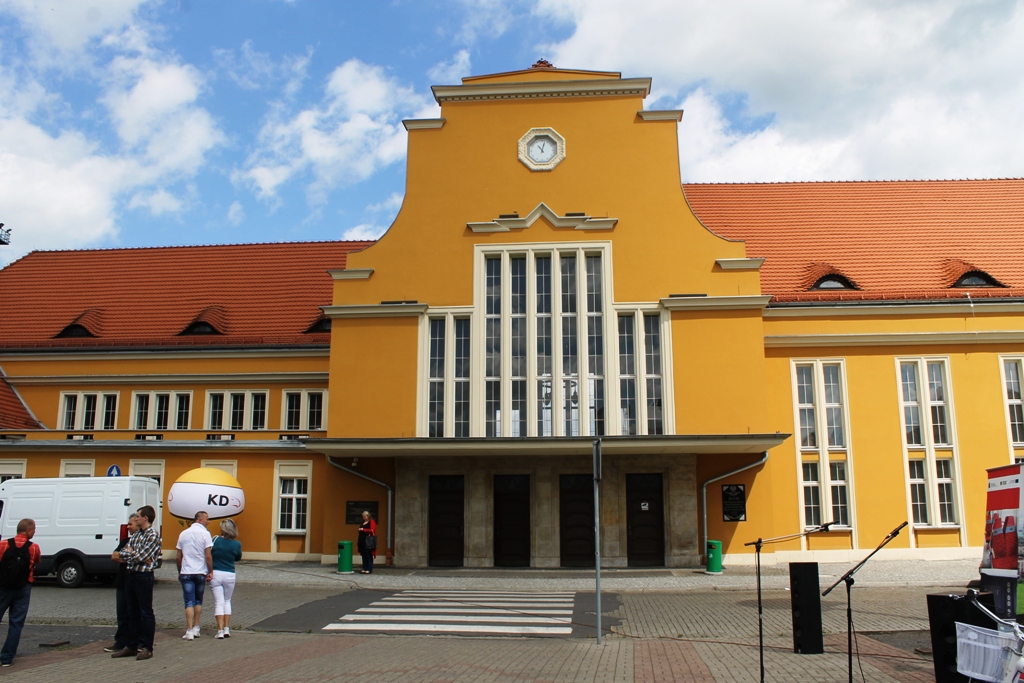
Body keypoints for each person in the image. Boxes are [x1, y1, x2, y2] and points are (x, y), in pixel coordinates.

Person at [111, 505, 160, 661]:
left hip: (143, 576)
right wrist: (133, 554)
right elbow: (123, 552)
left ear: (145, 518)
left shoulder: (152, 535)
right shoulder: (136, 535)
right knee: (131, 611)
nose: (136, 518)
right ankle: (131, 645)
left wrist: (132, 555)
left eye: (138, 515)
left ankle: (147, 647)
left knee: (145, 612)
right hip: (130, 574)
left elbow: (142, 556)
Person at [0, 518, 40, 667]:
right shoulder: (33, 547)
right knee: (16, 623)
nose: (35, 532)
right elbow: (36, 561)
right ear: (28, 531)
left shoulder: (3, 544)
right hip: (23, 588)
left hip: (3, 587)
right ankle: (6, 658)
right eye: (34, 529)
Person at [105, 513, 139, 653]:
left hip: (135, 581)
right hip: (122, 581)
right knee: (122, 613)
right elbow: (114, 556)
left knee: (134, 612)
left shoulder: (142, 541)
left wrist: (127, 556)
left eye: (131, 524)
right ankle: (121, 641)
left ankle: (135, 641)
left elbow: (145, 558)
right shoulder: (126, 541)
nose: (128, 527)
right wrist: (132, 557)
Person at [176, 510, 213, 640]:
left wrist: (180, 570)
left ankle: (189, 629)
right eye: (207, 519)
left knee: (188, 601)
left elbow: (178, 556)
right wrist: (210, 571)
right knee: (198, 600)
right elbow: (208, 555)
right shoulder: (206, 534)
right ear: (199, 520)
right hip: (200, 571)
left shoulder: (183, 534)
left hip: (187, 571)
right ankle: (196, 627)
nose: (209, 521)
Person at [210, 519, 242, 639]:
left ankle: (219, 630)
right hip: (229, 574)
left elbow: (209, 553)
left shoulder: (215, 540)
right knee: (227, 600)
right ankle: (227, 628)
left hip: (216, 573)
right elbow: (238, 557)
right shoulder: (237, 544)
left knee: (219, 602)